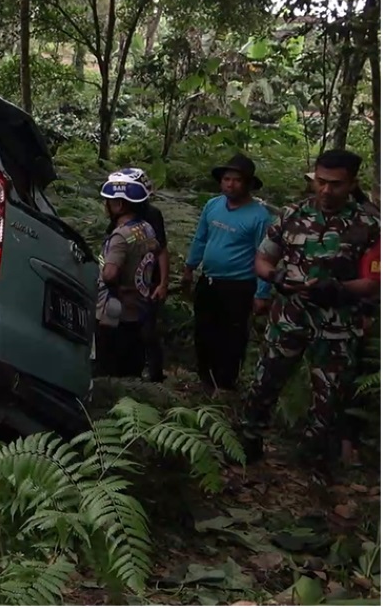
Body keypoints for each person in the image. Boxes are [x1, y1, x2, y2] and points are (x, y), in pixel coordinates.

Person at [244, 149, 381, 477]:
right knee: (265, 381)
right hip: (289, 317)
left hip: (336, 325)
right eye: (320, 181)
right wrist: (275, 277)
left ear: (351, 184)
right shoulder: (291, 215)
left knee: (329, 396)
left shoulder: (369, 224)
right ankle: (248, 443)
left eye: (335, 184)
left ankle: (312, 460)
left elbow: (375, 281)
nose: (325, 190)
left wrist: (340, 289)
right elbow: (263, 259)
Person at [181, 153, 274, 392]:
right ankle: (204, 378)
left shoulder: (259, 216)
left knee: (231, 336)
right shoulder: (213, 206)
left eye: (237, 180)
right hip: (209, 280)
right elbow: (201, 238)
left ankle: (225, 383)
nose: (230, 184)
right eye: (226, 179)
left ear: (248, 184)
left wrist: (262, 293)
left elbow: (264, 254)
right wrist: (189, 268)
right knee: (204, 330)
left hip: (238, 286)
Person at [104, 168, 169, 382]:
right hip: (134, 293)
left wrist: (163, 283)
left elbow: (111, 272)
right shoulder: (137, 226)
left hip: (129, 294)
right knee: (133, 339)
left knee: (133, 339)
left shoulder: (137, 225)